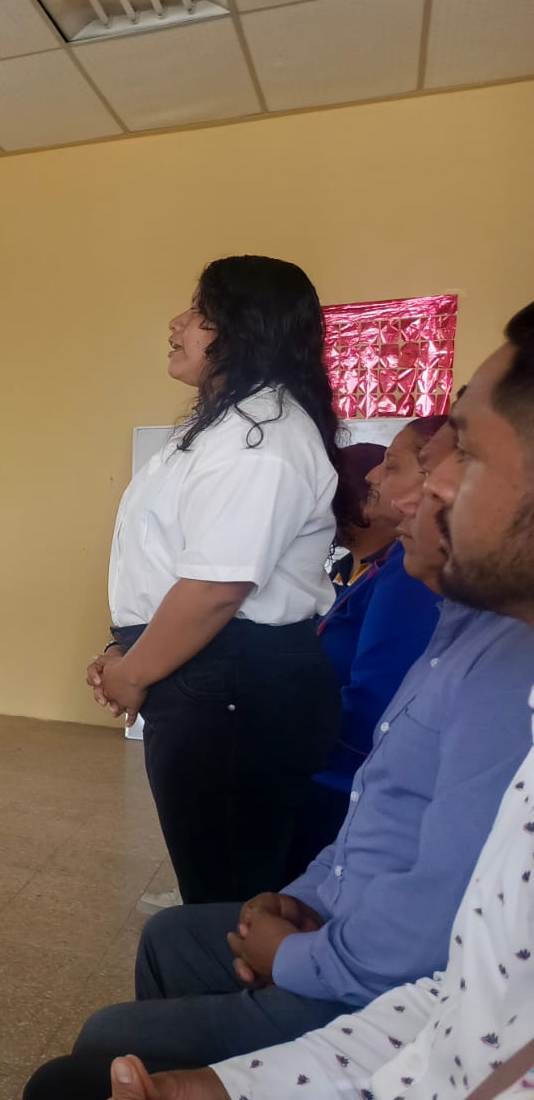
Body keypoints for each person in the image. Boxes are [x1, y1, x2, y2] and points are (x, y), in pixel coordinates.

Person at [93, 306, 534, 1100]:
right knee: (180, 931)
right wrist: (303, 899)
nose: (407, 490)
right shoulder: (462, 621)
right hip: (347, 927)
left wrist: (293, 956)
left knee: (97, 1052)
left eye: (459, 453)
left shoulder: (269, 442)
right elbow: (383, 808)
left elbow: (433, 961)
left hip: (365, 968)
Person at [92, 256, 354, 908]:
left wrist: (133, 671)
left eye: (202, 314)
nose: (177, 324)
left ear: (248, 330)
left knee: (232, 897)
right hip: (206, 669)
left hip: (232, 678)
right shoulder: (226, 426)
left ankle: (215, 969)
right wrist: (123, 647)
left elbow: (216, 589)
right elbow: (165, 561)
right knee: (219, 882)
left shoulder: (260, 439)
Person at [289, 415, 449, 868]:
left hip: (343, 780)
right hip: (334, 771)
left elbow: (377, 699)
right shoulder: (382, 565)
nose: (375, 477)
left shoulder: (411, 572)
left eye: (391, 466)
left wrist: (280, 743)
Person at [326, 442, 389, 589]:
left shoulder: (392, 576)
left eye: (335, 500)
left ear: (369, 499)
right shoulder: (340, 570)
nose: (324, 511)